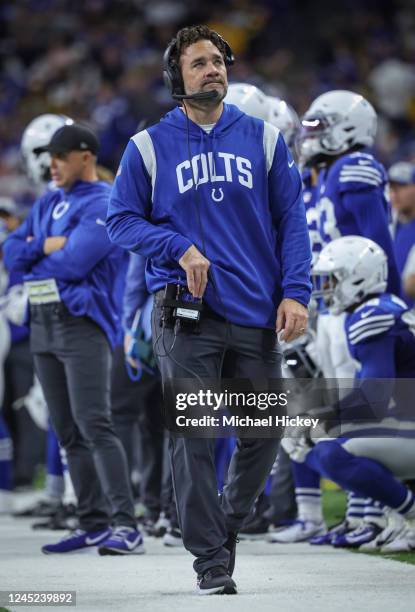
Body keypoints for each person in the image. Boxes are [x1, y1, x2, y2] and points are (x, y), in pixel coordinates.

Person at [107, 25, 311, 594]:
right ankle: (211, 562)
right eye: (198, 63)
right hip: (185, 314)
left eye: (218, 61)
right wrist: (178, 247)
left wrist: (297, 292)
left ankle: (224, 524)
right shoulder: (147, 146)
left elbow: (291, 222)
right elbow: (120, 219)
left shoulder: (265, 139)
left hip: (255, 311)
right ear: (177, 77)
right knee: (194, 436)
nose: (212, 70)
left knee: (265, 431)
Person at [3, 123, 144, 555]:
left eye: (60, 156)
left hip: (83, 325)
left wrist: (36, 251)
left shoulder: (103, 201)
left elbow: (75, 263)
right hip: (44, 324)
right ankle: (93, 522)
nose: (52, 164)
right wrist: (47, 246)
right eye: (50, 157)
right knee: (67, 431)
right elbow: (10, 253)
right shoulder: (48, 201)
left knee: (95, 424)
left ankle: (127, 525)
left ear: (85, 156)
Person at [282, 236, 415, 552]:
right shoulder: (382, 309)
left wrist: (323, 417)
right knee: (310, 440)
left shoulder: (373, 316)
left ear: (358, 276)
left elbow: (373, 400)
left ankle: (409, 514)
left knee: (330, 451)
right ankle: (397, 518)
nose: (325, 288)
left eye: (332, 279)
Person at [388, 162, 415, 306]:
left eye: (402, 186)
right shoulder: (389, 224)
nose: (395, 193)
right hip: (393, 312)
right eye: (392, 188)